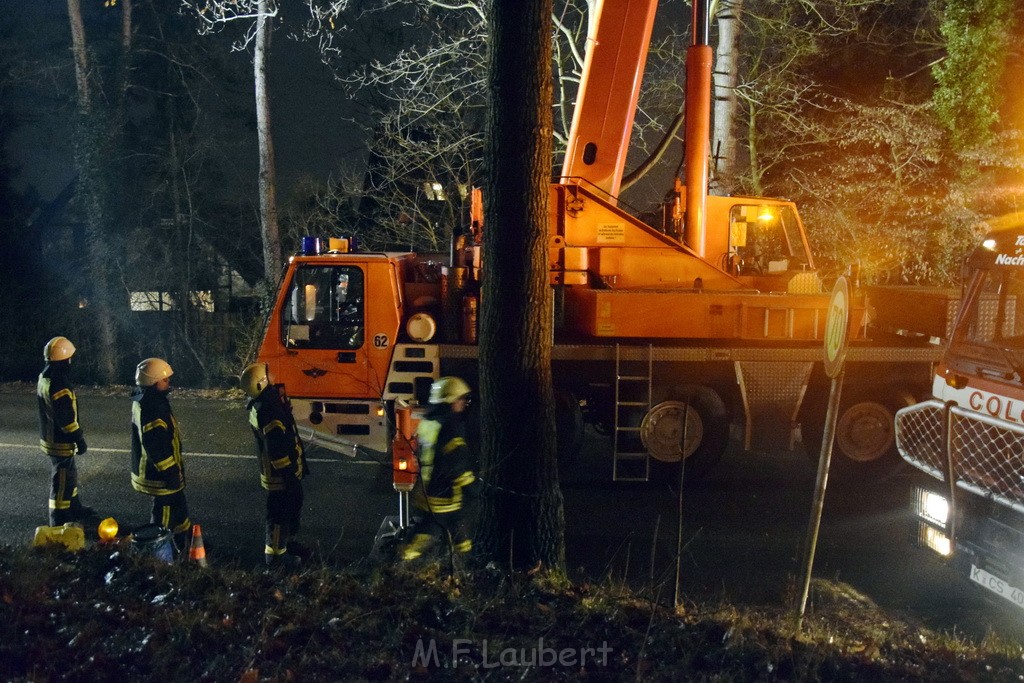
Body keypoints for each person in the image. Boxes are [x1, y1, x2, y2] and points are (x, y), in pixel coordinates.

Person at [240, 362, 308, 569]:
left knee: (290, 509)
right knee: (279, 515)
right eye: (268, 374)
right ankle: (276, 558)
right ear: (262, 383)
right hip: (280, 476)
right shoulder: (269, 409)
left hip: (281, 473)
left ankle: (287, 545)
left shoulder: (265, 403)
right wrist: (289, 476)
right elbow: (276, 449)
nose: (272, 374)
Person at [402, 376, 477, 561]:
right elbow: (457, 467)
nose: (463, 404)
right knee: (441, 535)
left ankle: (400, 566)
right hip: (445, 499)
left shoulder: (428, 422)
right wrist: (475, 489)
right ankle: (399, 566)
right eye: (461, 399)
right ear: (450, 401)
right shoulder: (450, 429)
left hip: (426, 491)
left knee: (453, 533)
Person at [130, 358, 191, 551]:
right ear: (154, 382)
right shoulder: (153, 407)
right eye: (164, 380)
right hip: (159, 477)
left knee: (179, 508)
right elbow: (157, 446)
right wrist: (171, 472)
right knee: (163, 518)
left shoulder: (146, 399)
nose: (168, 383)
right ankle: (157, 553)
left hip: (161, 474)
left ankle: (184, 543)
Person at [37, 336, 95, 526]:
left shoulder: (45, 376)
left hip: (51, 437)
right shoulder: (59, 383)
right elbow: (66, 419)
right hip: (60, 441)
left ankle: (74, 506)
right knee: (62, 480)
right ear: (65, 359)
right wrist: (79, 438)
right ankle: (59, 517)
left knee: (69, 474)